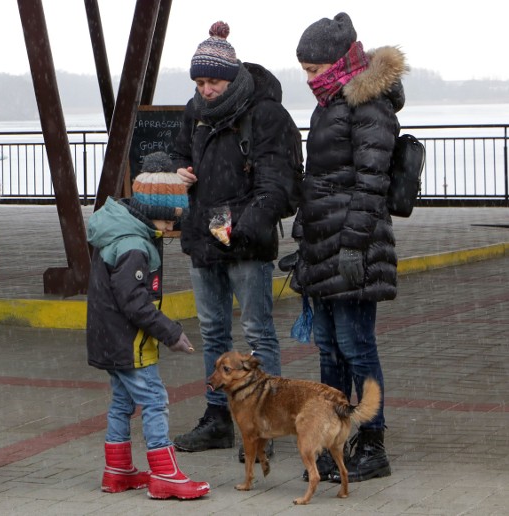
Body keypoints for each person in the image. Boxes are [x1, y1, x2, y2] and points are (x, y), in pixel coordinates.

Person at [171, 21, 302, 460]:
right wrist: (177, 171)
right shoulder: (194, 113)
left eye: (212, 82)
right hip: (202, 237)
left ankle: (270, 420)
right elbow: (174, 155)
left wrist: (243, 227)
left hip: (246, 241)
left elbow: (280, 184)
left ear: (233, 78)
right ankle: (218, 418)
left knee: (257, 333)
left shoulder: (265, 115)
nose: (205, 90)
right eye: (200, 82)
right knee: (212, 332)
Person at [292, 12, 405, 483]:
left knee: (357, 348)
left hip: (354, 247)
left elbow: (370, 183)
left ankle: (372, 442)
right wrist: (306, 236)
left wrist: (353, 247)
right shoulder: (330, 103)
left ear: (338, 63)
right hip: (325, 246)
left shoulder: (368, 105)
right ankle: (335, 441)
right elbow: (320, 181)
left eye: (313, 70)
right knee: (330, 352)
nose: (308, 80)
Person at [86, 158, 208, 501]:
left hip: (108, 338)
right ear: (154, 210)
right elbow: (135, 303)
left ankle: (118, 470)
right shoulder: (134, 246)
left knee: (122, 402)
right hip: (130, 342)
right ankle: (164, 473)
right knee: (155, 400)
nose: (170, 229)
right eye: (169, 220)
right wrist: (171, 333)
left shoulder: (119, 229)